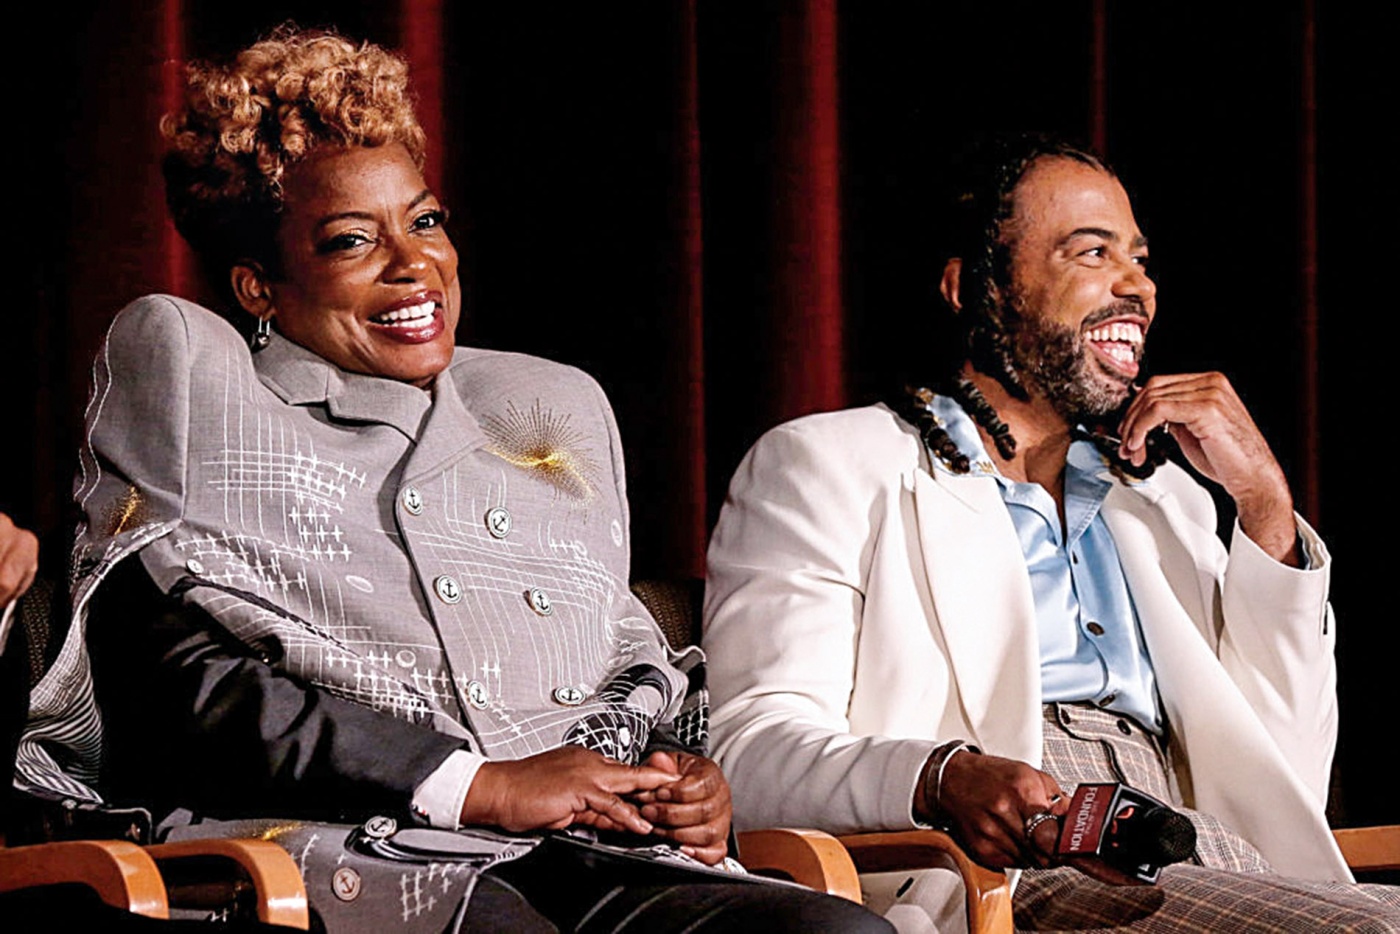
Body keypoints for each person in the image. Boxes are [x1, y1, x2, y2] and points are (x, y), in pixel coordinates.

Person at [12, 27, 888, 934]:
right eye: (353, 241)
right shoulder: (196, 378)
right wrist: (477, 786)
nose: (414, 263)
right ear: (259, 287)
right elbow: (175, 687)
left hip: (595, 849)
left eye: (424, 221)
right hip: (345, 847)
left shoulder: (549, 405)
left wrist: (681, 776)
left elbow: (614, 660)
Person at [702, 134, 1399, 931]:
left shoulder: (1164, 501)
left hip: (1202, 850)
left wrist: (1265, 507)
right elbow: (753, 754)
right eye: (1092, 253)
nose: (1136, 286)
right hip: (999, 864)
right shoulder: (828, 465)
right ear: (974, 286)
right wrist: (942, 777)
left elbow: (1289, 776)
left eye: (1139, 260)